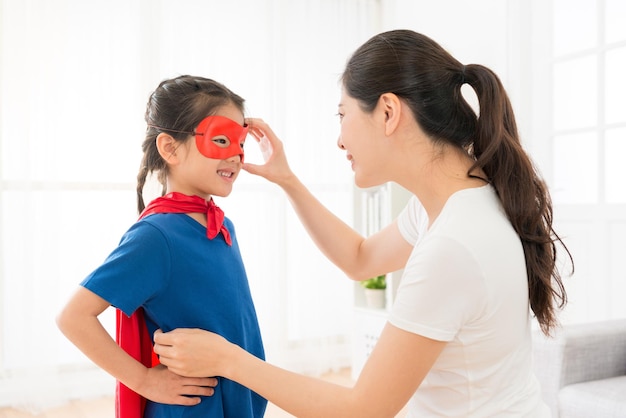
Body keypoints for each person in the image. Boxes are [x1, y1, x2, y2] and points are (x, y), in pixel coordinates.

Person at [153, 30, 572, 417]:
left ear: (388, 112)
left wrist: (226, 358)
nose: (340, 139)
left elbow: (362, 410)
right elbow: (360, 258)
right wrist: (287, 180)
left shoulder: (453, 244)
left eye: (342, 115)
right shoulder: (456, 201)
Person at [56, 75, 267, 418]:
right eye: (222, 139)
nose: (237, 156)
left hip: (236, 401)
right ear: (170, 148)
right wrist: (144, 381)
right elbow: (73, 317)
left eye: (241, 143)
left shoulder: (223, 226)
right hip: (192, 409)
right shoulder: (156, 236)